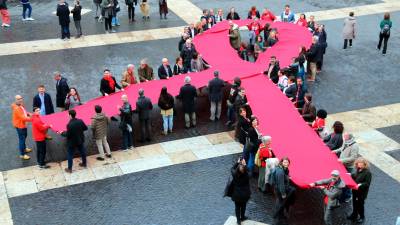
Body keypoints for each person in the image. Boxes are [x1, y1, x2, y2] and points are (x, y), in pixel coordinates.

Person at [348, 157, 372, 223]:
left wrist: (360, 185)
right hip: (355, 190)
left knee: (360, 205)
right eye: (358, 163)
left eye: (361, 164)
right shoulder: (358, 170)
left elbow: (367, 183)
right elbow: (355, 176)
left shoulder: (368, 173)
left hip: (361, 193)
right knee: (354, 204)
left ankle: (362, 217)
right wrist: (350, 175)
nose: (359, 165)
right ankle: (354, 215)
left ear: (365, 164)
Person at [273, 157, 295, 222]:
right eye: (285, 162)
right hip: (280, 190)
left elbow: (285, 176)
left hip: (280, 188)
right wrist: (283, 194)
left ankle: (281, 215)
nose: (286, 163)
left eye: (287, 162)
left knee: (280, 202)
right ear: (282, 162)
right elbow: (281, 184)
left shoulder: (284, 169)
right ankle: (279, 218)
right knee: (280, 203)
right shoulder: (280, 172)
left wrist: (288, 177)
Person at [231, 158, 251, 225]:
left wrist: (237, 163)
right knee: (243, 206)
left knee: (237, 207)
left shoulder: (234, 174)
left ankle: (238, 220)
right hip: (245, 194)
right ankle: (242, 217)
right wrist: (245, 165)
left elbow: (232, 169)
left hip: (236, 194)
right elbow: (250, 172)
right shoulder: (247, 176)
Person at [11, 95, 32, 160]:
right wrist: (33, 118)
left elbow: (24, 112)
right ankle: (22, 154)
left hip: (23, 125)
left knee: (24, 136)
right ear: (15, 100)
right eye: (18, 99)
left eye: (21, 98)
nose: (20, 100)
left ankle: (24, 148)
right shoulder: (17, 109)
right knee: (22, 140)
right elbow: (23, 117)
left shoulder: (21, 105)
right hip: (20, 126)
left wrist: (29, 113)